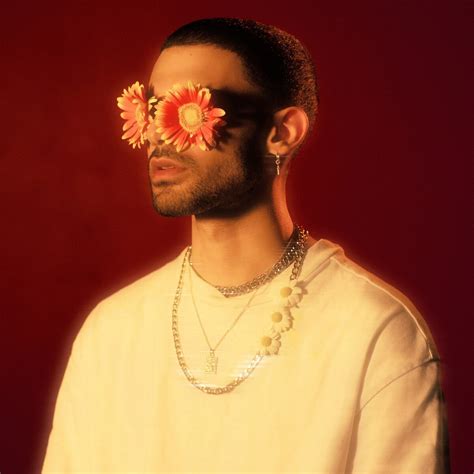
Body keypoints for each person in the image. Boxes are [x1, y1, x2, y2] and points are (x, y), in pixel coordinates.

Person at [41, 17, 450, 473]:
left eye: (186, 108)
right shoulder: (111, 331)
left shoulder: (376, 332)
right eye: (150, 110)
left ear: (282, 133)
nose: (158, 134)